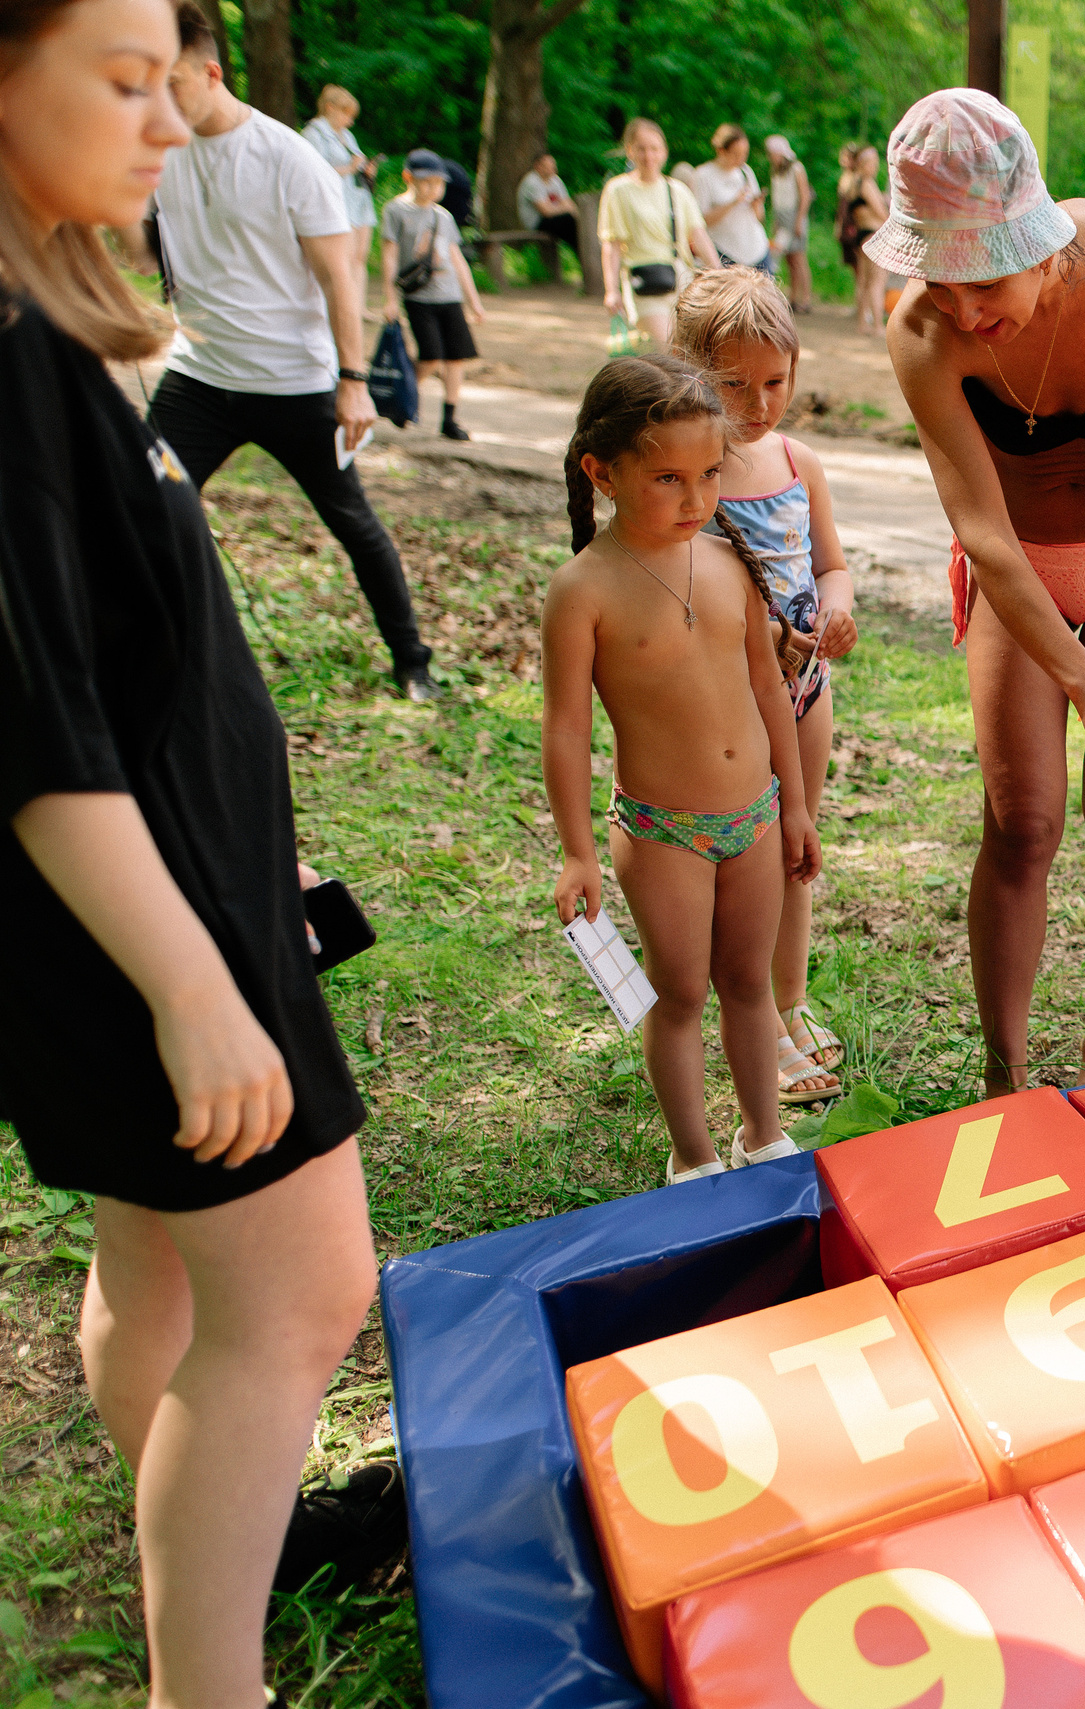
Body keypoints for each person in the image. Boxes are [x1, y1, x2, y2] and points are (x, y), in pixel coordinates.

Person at [0, 0, 389, 1696]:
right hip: (137, 932)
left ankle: (188, 1525)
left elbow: (136, 673)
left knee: (153, 1253)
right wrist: (192, 979)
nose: (174, 120)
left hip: (178, 891)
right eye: (126, 81)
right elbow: (33, 730)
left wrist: (257, 859)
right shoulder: (3, 359)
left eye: (177, 80)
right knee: (301, 1296)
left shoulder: (53, 322)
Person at [872, 88, 1085, 1091]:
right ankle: (1004, 1078)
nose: (967, 311)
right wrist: (1084, 688)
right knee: (1022, 819)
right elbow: (982, 536)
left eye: (985, 277)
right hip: (1018, 568)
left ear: (1042, 239)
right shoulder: (922, 337)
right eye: (940, 276)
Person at [543, 354, 816, 1182]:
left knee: (747, 981)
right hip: (663, 831)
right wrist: (578, 850)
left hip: (757, 815)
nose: (696, 498)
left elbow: (771, 692)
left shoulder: (731, 566)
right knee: (681, 994)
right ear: (604, 472)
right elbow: (565, 728)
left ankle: (761, 1133)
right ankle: (693, 1154)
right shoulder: (583, 589)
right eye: (668, 477)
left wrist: (796, 806)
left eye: (707, 474)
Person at [144, 1, 438, 700]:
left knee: (353, 523)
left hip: (295, 383)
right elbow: (139, 243)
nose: (161, 99)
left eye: (174, 83)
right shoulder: (160, 148)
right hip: (198, 375)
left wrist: (353, 378)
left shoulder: (287, 156)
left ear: (213, 72)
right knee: (139, 503)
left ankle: (412, 659)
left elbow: (341, 274)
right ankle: (148, 650)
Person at [673, 268, 857, 1106]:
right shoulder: (691, 479)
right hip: (731, 707)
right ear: (691, 371)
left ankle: (792, 1000)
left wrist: (839, 606)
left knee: (797, 848)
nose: (757, 402)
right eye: (733, 384)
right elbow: (680, 593)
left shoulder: (798, 461)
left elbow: (830, 563)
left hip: (808, 690)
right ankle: (751, 1014)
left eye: (775, 381)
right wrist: (760, 634)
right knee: (743, 865)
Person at [380, 151, 485, 442]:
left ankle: (450, 418)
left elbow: (457, 260)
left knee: (456, 358)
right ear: (409, 178)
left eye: (439, 183)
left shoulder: (444, 216)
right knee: (431, 355)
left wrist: (473, 301)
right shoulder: (395, 211)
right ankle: (402, 395)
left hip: (449, 295)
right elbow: (389, 256)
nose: (433, 189)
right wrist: (389, 299)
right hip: (419, 297)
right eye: (427, 182)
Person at [598, 118, 719, 348]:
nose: (648, 155)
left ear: (664, 152)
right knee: (666, 344)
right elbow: (612, 244)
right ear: (630, 151)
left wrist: (719, 274)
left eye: (654, 148)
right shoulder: (618, 190)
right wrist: (611, 290)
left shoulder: (678, 190)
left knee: (688, 348)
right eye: (641, 149)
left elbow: (698, 235)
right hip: (643, 282)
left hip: (681, 280)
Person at [298, 84, 376, 237]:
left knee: (359, 258)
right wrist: (348, 169)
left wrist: (366, 169)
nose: (350, 121)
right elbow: (313, 173)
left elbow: (357, 162)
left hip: (358, 200)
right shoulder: (313, 134)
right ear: (330, 108)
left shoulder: (347, 135)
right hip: (334, 205)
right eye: (346, 114)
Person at [695, 122, 770, 275]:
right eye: (736, 154)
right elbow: (700, 222)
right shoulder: (703, 176)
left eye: (744, 153)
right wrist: (734, 202)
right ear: (721, 150)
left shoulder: (745, 171)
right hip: (726, 252)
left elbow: (759, 217)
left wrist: (756, 204)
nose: (741, 159)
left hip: (757, 249)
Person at [839, 141, 889, 332]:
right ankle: (877, 324)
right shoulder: (867, 184)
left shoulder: (852, 183)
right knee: (877, 281)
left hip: (862, 235)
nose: (876, 167)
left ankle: (863, 323)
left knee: (864, 282)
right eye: (874, 162)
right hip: (874, 234)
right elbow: (881, 213)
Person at [764, 134, 815, 312]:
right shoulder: (776, 171)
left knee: (799, 258)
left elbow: (805, 196)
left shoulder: (796, 168)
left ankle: (806, 299)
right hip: (782, 217)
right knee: (788, 259)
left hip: (795, 215)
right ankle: (793, 297)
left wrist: (799, 221)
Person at [517, 149, 579, 257]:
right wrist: (563, 208)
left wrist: (563, 209)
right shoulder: (531, 182)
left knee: (578, 224)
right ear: (538, 166)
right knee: (569, 222)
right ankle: (584, 257)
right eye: (549, 165)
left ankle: (586, 255)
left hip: (554, 220)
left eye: (553, 165)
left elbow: (569, 204)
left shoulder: (556, 180)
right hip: (536, 223)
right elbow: (546, 211)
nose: (553, 168)